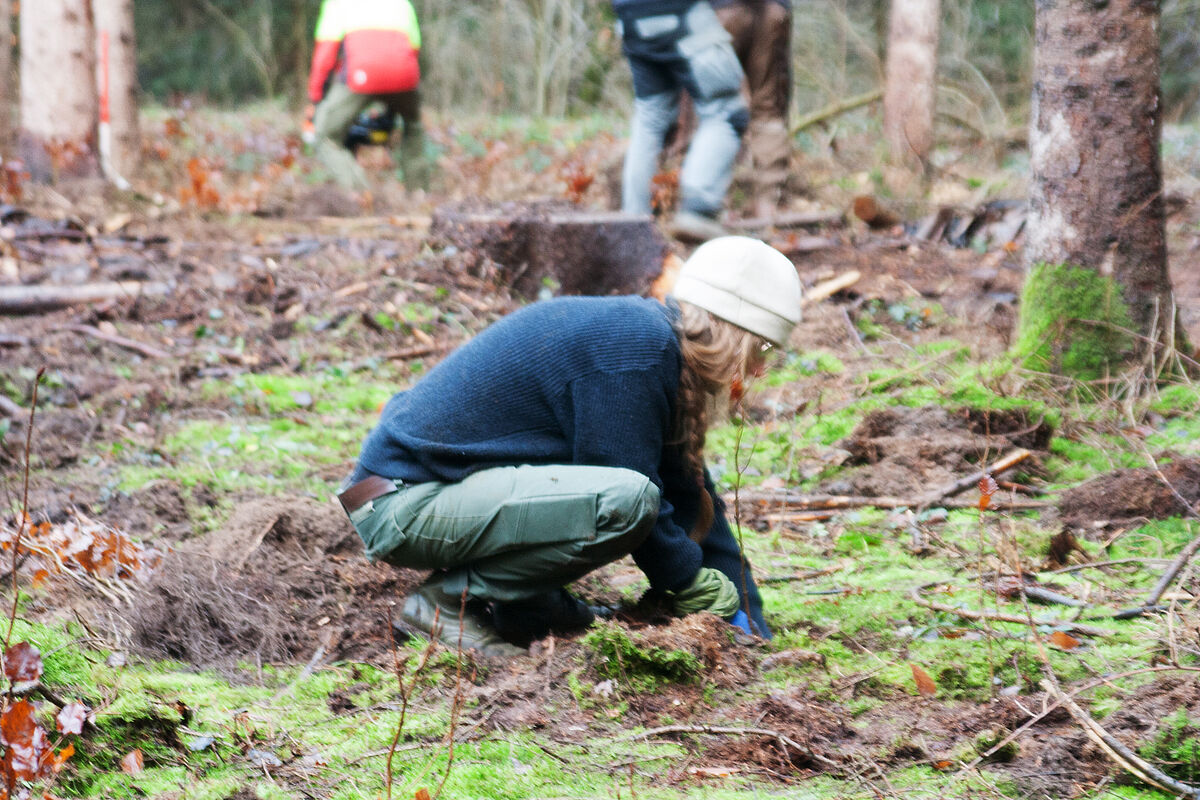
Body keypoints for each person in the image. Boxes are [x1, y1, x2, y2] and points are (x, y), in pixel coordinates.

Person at [337, 236, 803, 657]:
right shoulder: (638, 350)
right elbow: (637, 500)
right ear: (733, 335)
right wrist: (691, 585)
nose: (758, 372)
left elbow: (689, 495)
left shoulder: (658, 355)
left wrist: (748, 618)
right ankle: (447, 603)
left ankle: (531, 607)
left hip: (442, 493)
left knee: (614, 496)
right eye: (759, 351)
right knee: (624, 500)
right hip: (402, 502)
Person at [614, 0, 749, 243]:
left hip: (630, 15)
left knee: (650, 118)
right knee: (726, 110)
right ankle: (698, 207)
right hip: (680, 10)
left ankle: (633, 221)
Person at [304, 0, 431, 192]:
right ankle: (419, 194)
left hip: (360, 74)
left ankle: (361, 195)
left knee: (324, 135)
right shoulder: (402, 4)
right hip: (405, 75)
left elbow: (324, 56)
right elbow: (413, 49)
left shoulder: (336, 4)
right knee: (413, 127)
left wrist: (315, 99)